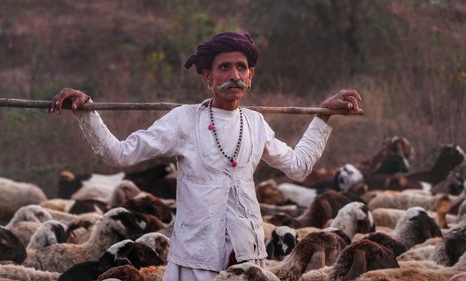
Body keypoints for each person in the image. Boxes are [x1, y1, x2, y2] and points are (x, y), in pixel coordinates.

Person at [49, 31, 363, 281]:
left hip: (247, 258)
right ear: (208, 77)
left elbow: (298, 168)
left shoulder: (255, 124)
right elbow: (119, 155)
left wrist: (324, 116)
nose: (234, 75)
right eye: (224, 67)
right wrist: (86, 111)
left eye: (241, 67)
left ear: (250, 76)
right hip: (195, 261)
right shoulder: (184, 121)